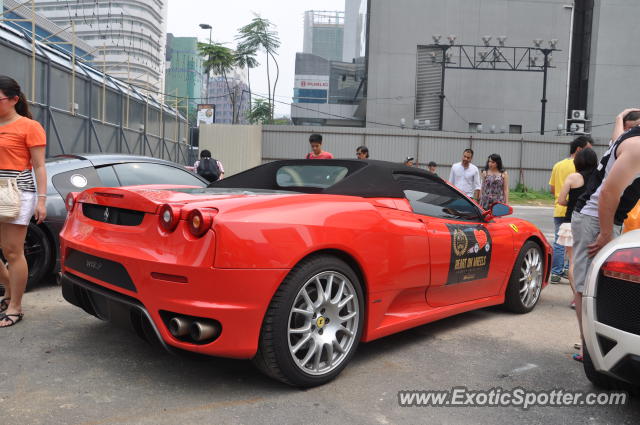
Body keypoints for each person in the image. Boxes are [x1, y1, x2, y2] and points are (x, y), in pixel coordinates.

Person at [571, 108, 640, 362]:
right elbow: (610, 193)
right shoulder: (637, 147)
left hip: (600, 218)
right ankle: (588, 348)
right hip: (596, 219)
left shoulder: (627, 137)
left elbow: (616, 135)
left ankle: (590, 344)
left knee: (593, 282)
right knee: (586, 286)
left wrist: (619, 118)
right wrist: (607, 233)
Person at [0, 76, 47, 328]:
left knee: (12, 250)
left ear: (14, 100)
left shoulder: (29, 126)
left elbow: (39, 166)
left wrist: (41, 200)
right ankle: (8, 290)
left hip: (17, 192)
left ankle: (15, 307)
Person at [556, 147, 598, 309]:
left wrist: (572, 204)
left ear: (578, 161)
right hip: (593, 223)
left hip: (571, 222)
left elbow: (561, 200)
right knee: (591, 261)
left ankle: (577, 298)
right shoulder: (599, 178)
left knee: (573, 261)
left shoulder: (573, 177)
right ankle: (591, 297)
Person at [548, 136, 593, 283]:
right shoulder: (586, 170)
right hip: (580, 212)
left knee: (559, 242)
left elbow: (552, 189)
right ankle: (569, 270)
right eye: (588, 149)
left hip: (560, 209)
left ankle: (555, 272)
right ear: (579, 150)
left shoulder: (558, 165)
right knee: (577, 247)